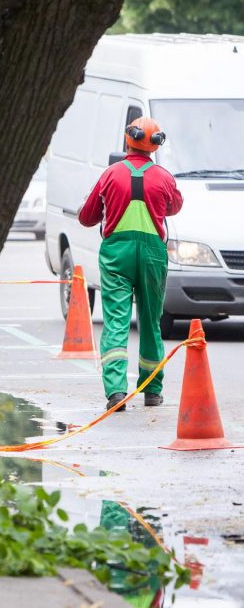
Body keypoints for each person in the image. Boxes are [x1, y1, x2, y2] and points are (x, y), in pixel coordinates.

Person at [78, 117, 183, 412]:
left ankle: (115, 392)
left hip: (116, 255)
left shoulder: (110, 175)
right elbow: (174, 206)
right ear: (155, 145)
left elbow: (87, 218)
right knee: (150, 322)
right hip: (152, 256)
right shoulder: (163, 177)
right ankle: (152, 390)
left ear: (128, 140)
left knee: (115, 321)